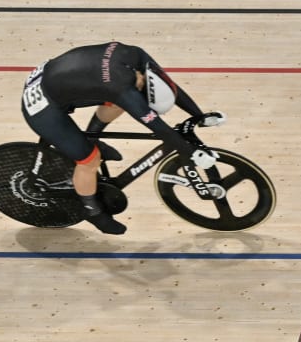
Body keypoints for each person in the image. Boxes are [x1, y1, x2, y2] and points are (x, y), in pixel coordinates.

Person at [21, 41, 224, 235]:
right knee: (90, 160)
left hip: (52, 76)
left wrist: (199, 116)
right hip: (42, 107)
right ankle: (92, 211)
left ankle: (91, 137)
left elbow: (173, 88)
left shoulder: (137, 56)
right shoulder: (122, 89)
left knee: (115, 103)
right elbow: (159, 128)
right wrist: (189, 152)